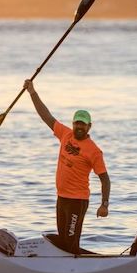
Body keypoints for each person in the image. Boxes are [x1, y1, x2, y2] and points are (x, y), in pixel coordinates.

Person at [24, 79, 110, 255]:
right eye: (77, 123)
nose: (79, 126)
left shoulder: (94, 151)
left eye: (83, 124)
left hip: (77, 201)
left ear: (89, 126)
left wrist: (104, 204)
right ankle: (69, 268)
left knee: (70, 244)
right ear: (73, 124)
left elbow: (105, 179)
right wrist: (32, 92)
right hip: (61, 198)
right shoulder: (65, 134)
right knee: (63, 242)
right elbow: (45, 115)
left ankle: (78, 271)